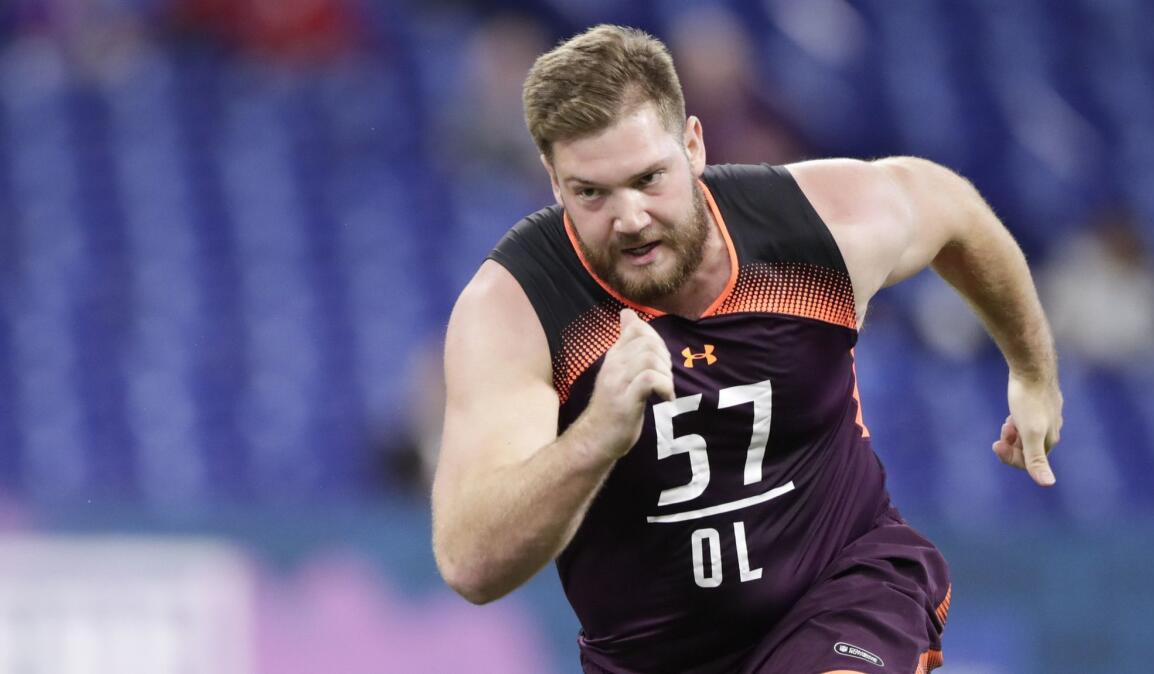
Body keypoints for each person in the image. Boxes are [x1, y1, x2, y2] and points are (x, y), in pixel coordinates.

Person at [431, 24, 1063, 674]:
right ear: (554, 182)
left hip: (842, 591)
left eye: (649, 178)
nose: (630, 218)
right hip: (653, 658)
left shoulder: (813, 231)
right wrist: (595, 436)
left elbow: (952, 208)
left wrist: (1033, 372)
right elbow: (471, 563)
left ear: (695, 146)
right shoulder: (518, 309)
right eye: (592, 192)